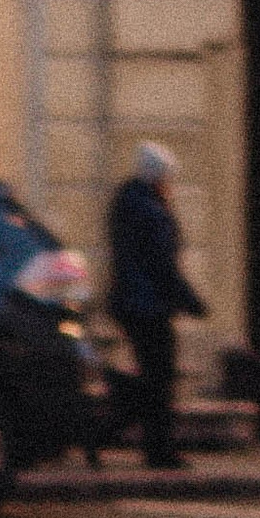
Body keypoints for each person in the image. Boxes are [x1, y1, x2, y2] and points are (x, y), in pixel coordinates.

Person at [106, 140, 208, 471]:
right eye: (168, 178)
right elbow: (162, 265)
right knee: (160, 378)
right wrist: (191, 301)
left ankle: (122, 424)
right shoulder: (152, 211)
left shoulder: (125, 201)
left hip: (129, 301)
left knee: (151, 375)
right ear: (159, 177)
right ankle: (156, 447)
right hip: (149, 305)